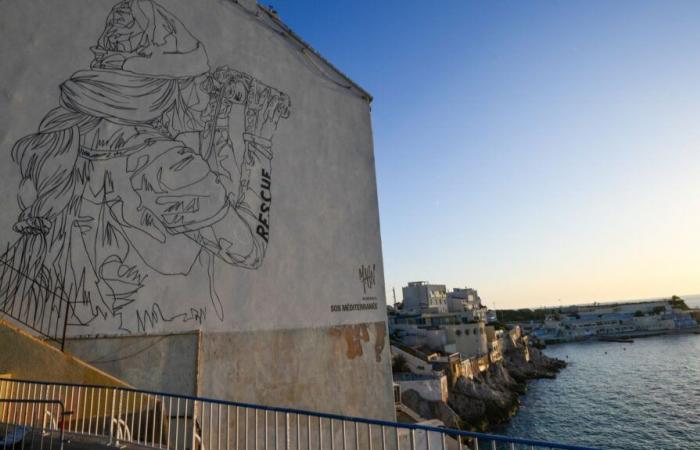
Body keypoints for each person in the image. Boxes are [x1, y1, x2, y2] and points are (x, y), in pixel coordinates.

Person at [1, 0, 290, 332]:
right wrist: (259, 142)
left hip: (59, 322)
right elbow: (248, 250)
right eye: (195, 82)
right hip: (133, 339)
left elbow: (209, 196)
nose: (202, 96)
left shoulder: (71, 129)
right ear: (164, 86)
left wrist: (220, 120)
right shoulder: (161, 161)